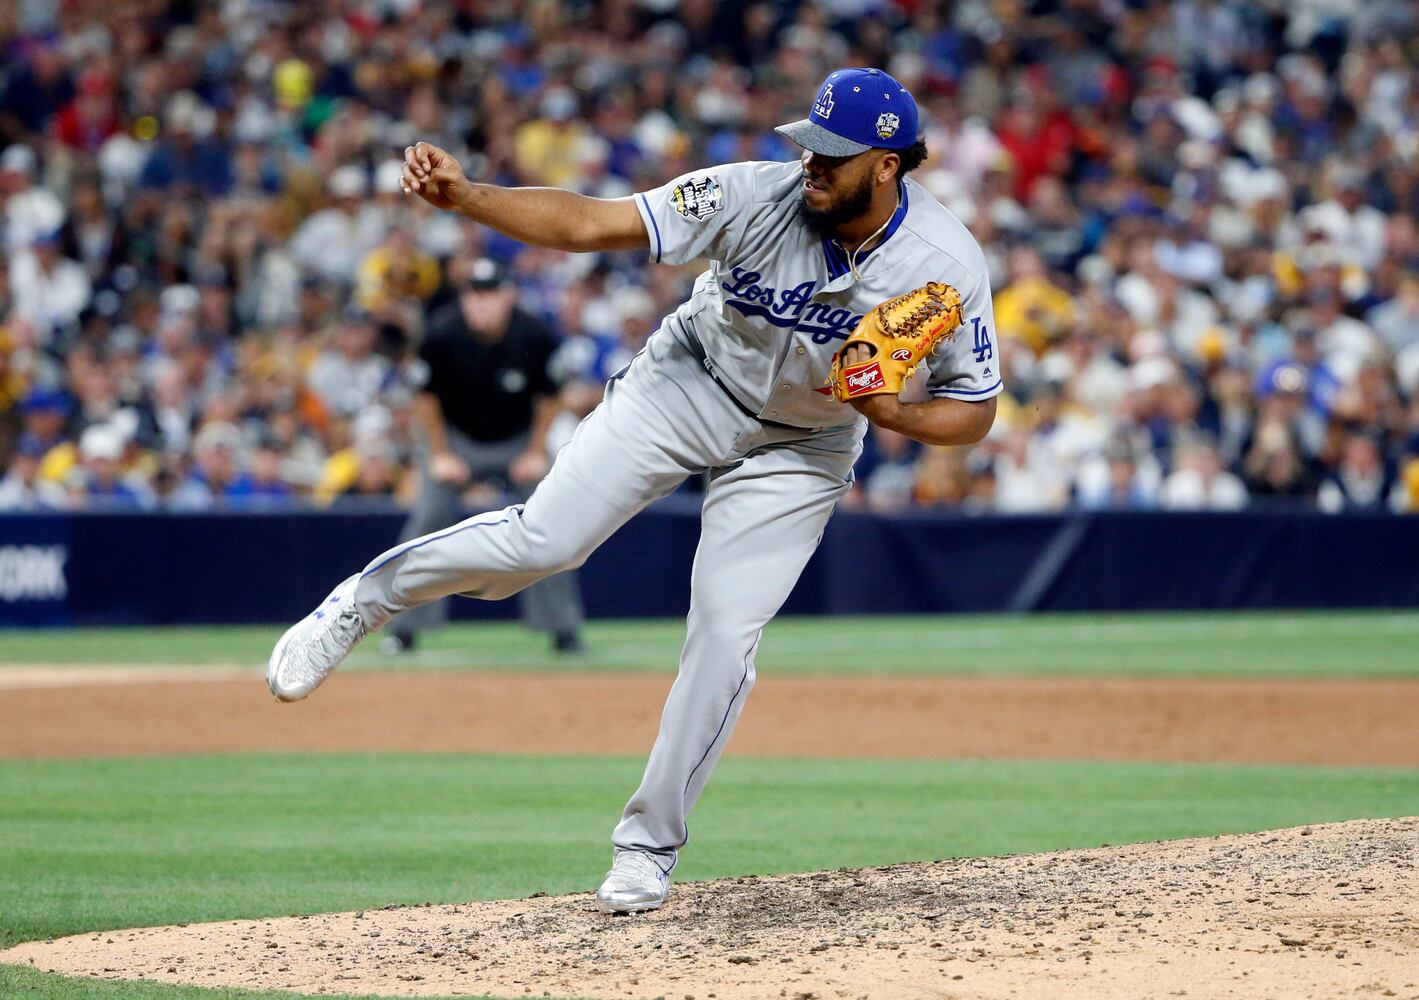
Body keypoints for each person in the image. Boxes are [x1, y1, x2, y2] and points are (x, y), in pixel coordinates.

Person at [266, 68, 1000, 914]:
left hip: (806, 442)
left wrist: (895, 414)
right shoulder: (750, 194)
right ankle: (365, 601)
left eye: (833, 156)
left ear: (887, 165)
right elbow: (590, 222)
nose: (811, 164)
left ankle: (646, 848)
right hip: (688, 381)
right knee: (542, 542)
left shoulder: (944, 263)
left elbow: (975, 411)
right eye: (809, 146)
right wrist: (467, 198)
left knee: (724, 639)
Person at [384, 256, 584, 655]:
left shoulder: (534, 333)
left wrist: (535, 451)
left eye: (490, 293)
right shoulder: (441, 332)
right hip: (456, 439)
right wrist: (440, 454)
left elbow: (551, 396)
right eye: (474, 294)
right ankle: (404, 629)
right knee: (428, 520)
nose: (481, 302)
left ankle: (563, 628)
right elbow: (425, 399)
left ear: (508, 295)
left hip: (518, 438)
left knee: (549, 521)